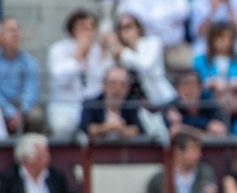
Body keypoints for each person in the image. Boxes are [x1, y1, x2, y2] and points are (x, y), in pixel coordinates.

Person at [47, 10, 113, 140]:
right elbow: (60, 79)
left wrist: (105, 52)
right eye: (83, 27)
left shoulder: (98, 51)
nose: (88, 32)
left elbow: (104, 83)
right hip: (65, 106)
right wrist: (78, 54)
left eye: (91, 27)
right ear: (73, 30)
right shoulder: (58, 49)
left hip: (91, 107)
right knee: (62, 126)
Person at [193, 21, 237, 131]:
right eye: (220, 37)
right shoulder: (200, 61)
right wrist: (210, 84)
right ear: (212, 39)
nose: (224, 41)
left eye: (228, 37)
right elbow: (197, 88)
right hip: (211, 108)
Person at [104, 12, 176, 107]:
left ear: (138, 28)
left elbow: (145, 65)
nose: (125, 32)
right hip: (136, 104)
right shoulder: (120, 51)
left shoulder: (152, 42)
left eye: (128, 26)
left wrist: (122, 51)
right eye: (121, 28)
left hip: (162, 99)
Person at [141, 132, 219, 193]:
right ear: (178, 151)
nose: (199, 155)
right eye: (193, 149)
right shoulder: (159, 180)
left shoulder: (205, 173)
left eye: (198, 150)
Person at [0, 134, 79, 193]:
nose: (48, 157)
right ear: (28, 158)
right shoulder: (9, 178)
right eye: (43, 154)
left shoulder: (56, 176)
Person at [0, 17, 44, 135]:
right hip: (2, 105)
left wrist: (20, 112)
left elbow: (31, 91)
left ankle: (32, 148)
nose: (15, 34)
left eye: (17, 30)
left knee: (36, 115)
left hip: (22, 106)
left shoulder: (30, 61)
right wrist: (9, 111)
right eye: (10, 31)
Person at [79, 65, 143, 139]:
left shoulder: (132, 105)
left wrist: (122, 130)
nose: (117, 88)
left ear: (128, 87)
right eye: (113, 83)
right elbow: (85, 128)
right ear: (104, 84)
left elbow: (139, 130)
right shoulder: (91, 104)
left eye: (122, 84)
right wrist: (105, 128)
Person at [163, 70, 229, 137]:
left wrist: (183, 126)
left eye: (193, 85)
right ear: (177, 89)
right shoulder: (171, 107)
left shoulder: (210, 103)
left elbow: (220, 130)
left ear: (200, 87)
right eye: (184, 86)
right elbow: (173, 131)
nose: (189, 90)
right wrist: (206, 128)